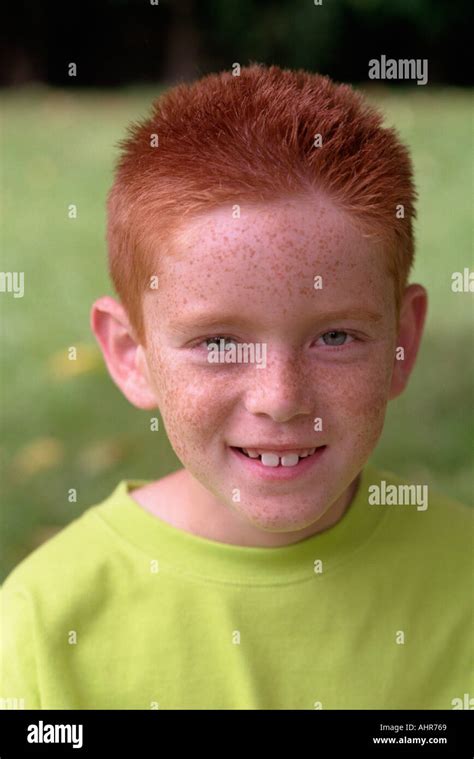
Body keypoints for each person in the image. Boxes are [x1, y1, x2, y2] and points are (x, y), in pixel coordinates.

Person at [1, 64, 472, 710]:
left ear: (403, 342)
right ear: (130, 353)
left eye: (334, 337)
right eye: (219, 343)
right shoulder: (41, 627)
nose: (280, 397)